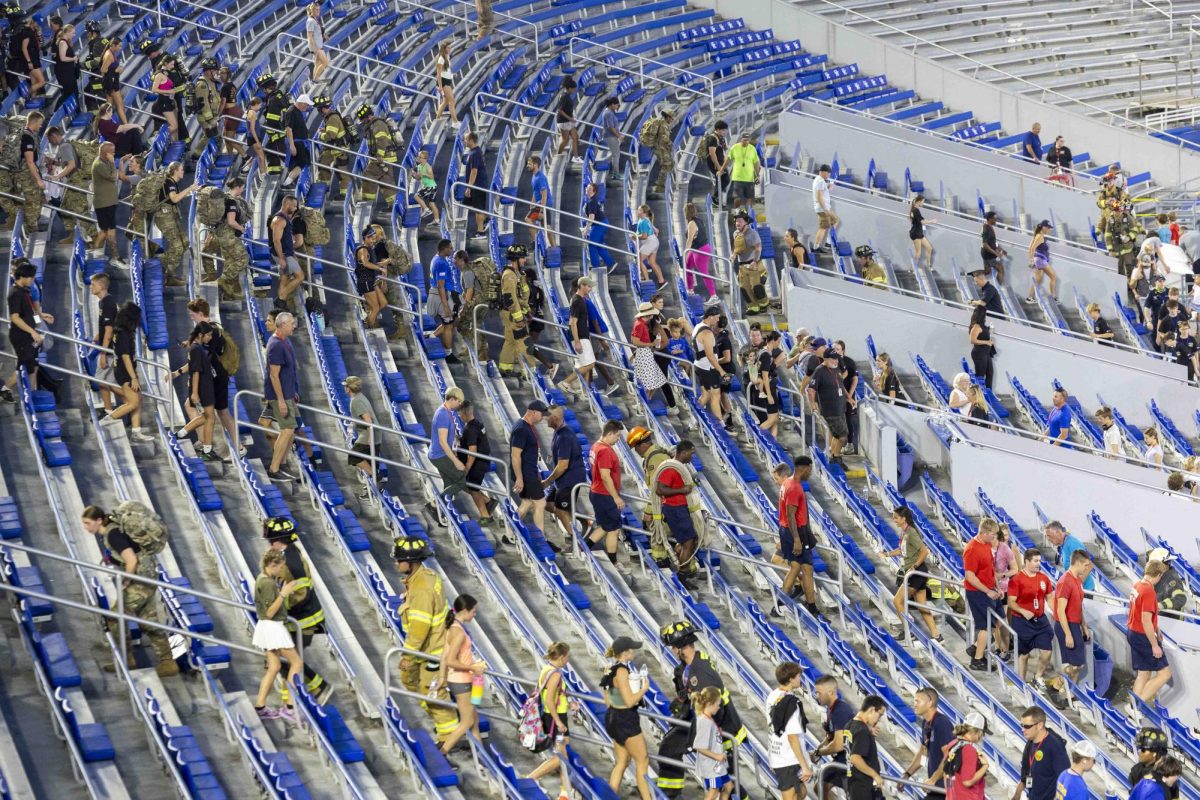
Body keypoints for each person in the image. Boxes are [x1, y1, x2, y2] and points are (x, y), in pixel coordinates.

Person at [81, 505, 179, 676]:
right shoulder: (112, 530)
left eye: (88, 523)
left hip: (141, 579)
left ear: (98, 521)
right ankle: (168, 663)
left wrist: (126, 580)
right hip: (147, 575)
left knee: (114, 616)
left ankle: (126, 658)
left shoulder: (112, 534)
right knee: (148, 621)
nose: (86, 527)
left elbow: (131, 560)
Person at [391, 536, 457, 745]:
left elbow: (419, 629)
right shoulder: (427, 577)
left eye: (399, 560)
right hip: (432, 647)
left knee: (433, 694)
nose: (396, 563)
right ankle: (447, 730)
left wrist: (408, 656)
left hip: (432, 651)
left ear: (410, 563)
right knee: (423, 690)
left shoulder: (421, 588)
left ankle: (450, 738)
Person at [252, 548, 303, 723]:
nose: (282, 570)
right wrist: (284, 593)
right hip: (272, 627)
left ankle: (260, 706)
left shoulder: (263, 578)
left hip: (267, 628)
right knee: (296, 663)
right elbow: (270, 612)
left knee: (274, 667)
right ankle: (289, 708)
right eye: (280, 567)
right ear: (272, 565)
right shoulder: (267, 583)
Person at [601, 636, 651, 800]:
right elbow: (630, 701)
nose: (634, 651)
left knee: (622, 762)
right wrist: (644, 689)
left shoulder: (610, 668)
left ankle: (608, 797)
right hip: (625, 719)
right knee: (642, 761)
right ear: (625, 652)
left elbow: (607, 700)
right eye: (632, 648)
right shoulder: (622, 671)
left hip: (612, 718)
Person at [98, 302, 156, 442]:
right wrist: (134, 378)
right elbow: (125, 357)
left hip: (124, 370)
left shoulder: (122, 331)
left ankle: (136, 432)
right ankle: (105, 421)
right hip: (124, 371)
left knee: (137, 399)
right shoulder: (123, 333)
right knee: (133, 402)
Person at [437, 593, 486, 756]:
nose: (475, 614)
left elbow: (444, 656)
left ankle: (482, 755)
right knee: (467, 722)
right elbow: (450, 660)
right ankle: (443, 751)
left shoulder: (452, 628)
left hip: (458, 679)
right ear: (465, 611)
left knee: (474, 721)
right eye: (473, 611)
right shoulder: (458, 633)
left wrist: (442, 678)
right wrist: (473, 667)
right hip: (462, 681)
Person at [526, 641, 574, 800]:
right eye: (567, 657)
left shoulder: (547, 669)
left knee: (563, 754)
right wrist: (559, 723)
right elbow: (549, 702)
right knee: (560, 757)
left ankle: (565, 792)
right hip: (556, 719)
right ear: (560, 657)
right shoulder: (555, 674)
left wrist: (569, 702)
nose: (568, 660)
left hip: (553, 717)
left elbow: (555, 695)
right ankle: (531, 778)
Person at [886, 506, 941, 641]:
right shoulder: (904, 533)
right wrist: (886, 554)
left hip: (916, 572)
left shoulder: (911, 533)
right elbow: (901, 550)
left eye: (896, 518)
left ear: (904, 519)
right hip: (915, 572)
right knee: (921, 606)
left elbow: (924, 551)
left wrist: (914, 567)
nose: (894, 520)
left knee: (897, 601)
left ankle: (908, 631)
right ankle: (937, 635)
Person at [773, 459, 819, 615]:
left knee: (804, 568)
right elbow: (790, 515)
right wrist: (798, 539)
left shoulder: (788, 484)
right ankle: (780, 604)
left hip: (793, 531)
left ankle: (810, 606)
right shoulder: (793, 487)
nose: (810, 472)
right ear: (804, 468)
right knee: (799, 568)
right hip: (795, 532)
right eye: (810, 469)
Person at [172, 322, 219, 461]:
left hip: (205, 387)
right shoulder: (196, 349)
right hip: (203, 388)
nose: (210, 337)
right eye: (208, 335)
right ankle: (206, 450)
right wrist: (194, 393)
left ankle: (181, 434)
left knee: (207, 417)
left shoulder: (196, 348)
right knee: (210, 418)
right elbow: (196, 372)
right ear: (200, 335)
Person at [1008, 549, 1055, 685]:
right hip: (1022, 621)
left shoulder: (1043, 578)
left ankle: (1037, 676)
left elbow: (1050, 598)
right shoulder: (1016, 580)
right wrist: (1023, 611)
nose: (1038, 564)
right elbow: (1011, 603)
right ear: (1026, 561)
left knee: (1047, 651)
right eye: (1035, 561)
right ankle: (1021, 682)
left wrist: (1056, 614)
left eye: (1039, 561)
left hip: (1040, 620)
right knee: (1024, 655)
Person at [1128, 560, 1173, 703]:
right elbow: (1145, 620)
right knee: (1165, 674)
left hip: (1133, 633)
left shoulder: (1137, 585)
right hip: (1143, 637)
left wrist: (1156, 627)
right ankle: (1138, 704)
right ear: (1158, 574)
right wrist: (1154, 645)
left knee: (1143, 673)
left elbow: (1140, 613)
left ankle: (1133, 707)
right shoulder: (1148, 591)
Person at [767, 662, 813, 800]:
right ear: (791, 679)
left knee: (802, 792)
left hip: (778, 755)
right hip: (788, 759)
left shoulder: (773, 695)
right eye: (799, 676)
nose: (801, 679)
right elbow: (792, 737)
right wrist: (804, 766)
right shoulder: (792, 704)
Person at [584, 421, 626, 569]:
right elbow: (605, 476)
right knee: (614, 529)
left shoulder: (596, 446)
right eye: (617, 435)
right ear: (609, 434)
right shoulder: (606, 451)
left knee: (604, 526)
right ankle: (613, 562)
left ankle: (584, 548)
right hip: (605, 495)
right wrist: (616, 497)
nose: (618, 439)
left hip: (597, 492)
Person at [263, 312, 300, 482]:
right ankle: (274, 468)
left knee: (268, 424)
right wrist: (281, 400)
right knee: (288, 429)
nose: (294, 326)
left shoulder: (285, 341)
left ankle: (281, 463)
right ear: (283, 325)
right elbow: (274, 375)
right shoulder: (276, 345)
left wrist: (293, 391)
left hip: (287, 393)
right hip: (280, 396)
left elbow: (289, 370)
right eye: (291, 323)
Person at [542, 404, 586, 539]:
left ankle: (576, 542)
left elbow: (563, 466)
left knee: (561, 509)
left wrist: (547, 481)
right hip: (562, 480)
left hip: (570, 480)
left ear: (555, 418)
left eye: (547, 417)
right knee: (548, 504)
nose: (544, 419)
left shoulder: (564, 436)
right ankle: (581, 521)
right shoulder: (559, 432)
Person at [2, 260, 44, 399]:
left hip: (29, 335)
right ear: (23, 277)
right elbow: (15, 318)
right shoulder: (15, 293)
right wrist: (32, 332)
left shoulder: (25, 291)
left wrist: (40, 320)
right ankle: (5, 389)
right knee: (24, 365)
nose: (32, 280)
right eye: (31, 277)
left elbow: (32, 311)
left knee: (32, 364)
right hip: (21, 337)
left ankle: (32, 394)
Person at [903, 687, 955, 799]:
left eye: (918, 701)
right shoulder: (926, 723)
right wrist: (907, 775)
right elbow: (923, 752)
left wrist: (933, 779)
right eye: (914, 700)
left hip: (945, 790)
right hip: (935, 788)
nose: (914, 704)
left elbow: (949, 756)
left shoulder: (941, 723)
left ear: (930, 702)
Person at [964, 518, 1001, 671]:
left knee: (995, 624)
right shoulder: (972, 549)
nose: (995, 537)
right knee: (985, 626)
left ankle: (975, 648)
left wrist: (997, 587)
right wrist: (988, 591)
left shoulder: (986, 544)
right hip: (978, 593)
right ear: (984, 533)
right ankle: (977, 660)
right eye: (993, 534)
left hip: (989, 590)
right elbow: (970, 576)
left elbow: (991, 568)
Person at [456, 400, 499, 528]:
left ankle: (486, 516)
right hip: (481, 461)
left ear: (464, 413)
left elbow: (473, 450)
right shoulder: (477, 424)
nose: (459, 416)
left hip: (477, 463)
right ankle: (488, 501)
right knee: (467, 486)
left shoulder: (470, 428)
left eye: (459, 413)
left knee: (474, 489)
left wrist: (468, 467)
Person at [1054, 549, 1093, 684]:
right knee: (1076, 664)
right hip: (1066, 626)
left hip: (1075, 625)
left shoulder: (1077, 580)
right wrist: (1068, 634)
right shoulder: (1065, 582)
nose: (1087, 568)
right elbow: (1060, 611)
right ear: (1077, 563)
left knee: (1078, 664)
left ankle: (1070, 691)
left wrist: (1084, 626)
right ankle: (1059, 683)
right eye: (1085, 565)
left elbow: (1078, 605)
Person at [811, 674, 856, 795]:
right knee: (820, 787)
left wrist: (818, 752)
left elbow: (837, 745)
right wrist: (817, 750)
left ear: (830, 692)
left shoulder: (840, 711)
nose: (817, 695)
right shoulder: (830, 709)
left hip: (851, 762)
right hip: (840, 760)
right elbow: (830, 737)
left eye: (819, 692)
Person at [1013, 706, 1069, 800]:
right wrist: (1017, 795)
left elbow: (1065, 780)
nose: (1023, 729)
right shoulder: (1030, 744)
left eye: (1027, 726)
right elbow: (1026, 775)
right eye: (1022, 725)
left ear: (1039, 725)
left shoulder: (1055, 747)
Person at [511, 400, 549, 534]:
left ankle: (510, 531)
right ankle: (541, 537)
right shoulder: (521, 429)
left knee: (527, 502)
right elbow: (515, 455)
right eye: (542, 414)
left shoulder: (526, 426)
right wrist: (520, 479)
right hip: (526, 474)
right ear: (533, 412)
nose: (543, 417)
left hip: (529, 471)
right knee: (540, 503)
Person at [807, 349, 849, 465]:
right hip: (830, 411)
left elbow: (840, 384)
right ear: (825, 359)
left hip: (840, 409)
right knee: (843, 437)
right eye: (832, 359)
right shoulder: (819, 371)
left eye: (836, 358)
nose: (835, 361)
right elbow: (811, 389)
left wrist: (848, 397)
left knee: (837, 436)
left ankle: (835, 457)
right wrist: (813, 405)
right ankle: (835, 457)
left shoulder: (835, 368)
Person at [428, 386, 467, 508]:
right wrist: (456, 462)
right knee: (462, 480)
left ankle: (442, 513)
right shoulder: (443, 414)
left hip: (440, 454)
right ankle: (435, 504)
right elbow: (442, 442)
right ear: (452, 399)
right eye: (458, 401)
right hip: (440, 455)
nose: (459, 404)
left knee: (449, 483)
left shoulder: (447, 412)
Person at [693, 686, 734, 800]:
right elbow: (699, 747)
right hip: (711, 765)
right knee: (714, 791)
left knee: (728, 786)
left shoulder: (708, 719)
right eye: (717, 704)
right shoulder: (705, 722)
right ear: (710, 703)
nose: (719, 707)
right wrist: (717, 756)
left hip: (717, 765)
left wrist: (717, 732)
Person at [844, 695, 886, 800]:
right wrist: (875, 775)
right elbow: (855, 758)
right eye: (879, 715)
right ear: (872, 710)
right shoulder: (862, 730)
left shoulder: (849, 724)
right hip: (863, 785)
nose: (878, 720)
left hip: (853, 782)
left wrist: (868, 733)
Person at [498, 244, 532, 376]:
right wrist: (518, 317)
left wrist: (527, 310)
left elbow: (522, 296)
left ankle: (505, 368)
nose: (525, 260)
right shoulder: (509, 275)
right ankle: (529, 371)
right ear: (515, 259)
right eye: (522, 257)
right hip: (512, 315)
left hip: (515, 313)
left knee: (510, 341)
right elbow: (510, 299)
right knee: (522, 341)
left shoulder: (518, 274)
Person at [356, 104, 400, 207]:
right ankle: (393, 205)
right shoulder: (375, 123)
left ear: (367, 117)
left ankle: (367, 203)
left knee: (368, 177)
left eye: (362, 119)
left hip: (382, 158)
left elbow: (382, 140)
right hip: (386, 157)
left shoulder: (377, 124)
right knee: (386, 180)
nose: (362, 122)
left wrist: (379, 156)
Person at [344, 376, 380, 498]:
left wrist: (370, 440)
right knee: (369, 461)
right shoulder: (358, 397)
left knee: (354, 456)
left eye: (346, 386)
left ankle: (376, 478)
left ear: (348, 388)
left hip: (368, 434)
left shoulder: (356, 401)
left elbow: (368, 420)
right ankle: (373, 488)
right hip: (370, 433)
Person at [426, 240, 462, 361]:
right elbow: (441, 285)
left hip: (443, 293)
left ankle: (432, 336)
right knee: (448, 326)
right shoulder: (441, 263)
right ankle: (448, 354)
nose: (452, 251)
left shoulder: (437, 259)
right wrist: (446, 306)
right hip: (443, 295)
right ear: (444, 248)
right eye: (450, 248)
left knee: (450, 323)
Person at [89, 274, 118, 415]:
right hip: (108, 347)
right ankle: (109, 410)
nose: (90, 287)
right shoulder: (104, 302)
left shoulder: (108, 303)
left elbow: (109, 330)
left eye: (93, 285)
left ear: (101, 286)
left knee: (102, 379)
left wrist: (103, 353)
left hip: (110, 349)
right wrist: (96, 337)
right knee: (105, 381)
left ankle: (131, 403)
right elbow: (105, 327)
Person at [944, 712, 989, 800]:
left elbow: (946, 774)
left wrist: (949, 796)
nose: (982, 736)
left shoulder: (952, 744)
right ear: (977, 731)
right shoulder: (969, 750)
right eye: (982, 733)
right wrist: (985, 766)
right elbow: (967, 782)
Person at [992, 524, 1019, 661]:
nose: (1005, 537)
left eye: (1007, 535)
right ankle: (998, 646)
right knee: (995, 622)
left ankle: (1005, 649)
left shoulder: (1009, 548)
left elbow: (1016, 570)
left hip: (1007, 588)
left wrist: (1001, 575)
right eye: (1004, 534)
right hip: (991, 589)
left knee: (1003, 621)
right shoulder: (988, 547)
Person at [631, 302, 666, 400]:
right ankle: (644, 401)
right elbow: (635, 341)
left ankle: (647, 399)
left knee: (656, 380)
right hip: (644, 354)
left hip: (646, 353)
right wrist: (652, 344)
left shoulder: (640, 323)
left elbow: (633, 339)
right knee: (650, 381)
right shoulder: (639, 325)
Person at [733, 210, 767, 313]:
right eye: (736, 221)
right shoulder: (736, 234)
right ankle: (753, 307)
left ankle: (764, 304)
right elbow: (736, 247)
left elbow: (758, 248)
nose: (737, 223)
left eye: (740, 221)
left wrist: (755, 261)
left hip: (753, 265)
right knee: (744, 288)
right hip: (742, 266)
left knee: (756, 287)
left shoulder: (753, 234)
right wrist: (734, 254)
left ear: (746, 222)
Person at [1129, 729, 1175, 797]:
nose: (1139, 752)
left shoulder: (1167, 773)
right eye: (1139, 748)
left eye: (1143, 750)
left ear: (1155, 753)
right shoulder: (1136, 770)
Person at [684, 202, 716, 297]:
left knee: (704, 273)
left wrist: (685, 253)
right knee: (688, 266)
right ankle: (690, 290)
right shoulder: (699, 220)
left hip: (701, 250)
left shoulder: (691, 223)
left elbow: (689, 240)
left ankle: (714, 295)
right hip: (697, 249)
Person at [643, 105, 675, 197]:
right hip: (659, 147)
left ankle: (661, 185)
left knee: (667, 164)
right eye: (671, 118)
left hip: (659, 147)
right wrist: (670, 143)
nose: (672, 120)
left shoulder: (662, 123)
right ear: (668, 117)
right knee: (666, 165)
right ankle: (660, 187)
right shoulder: (663, 124)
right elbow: (663, 138)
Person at [462, 132, 489, 239]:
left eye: (465, 139)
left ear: (471, 140)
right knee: (476, 207)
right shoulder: (476, 151)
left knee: (479, 208)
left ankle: (481, 232)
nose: (464, 141)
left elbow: (474, 171)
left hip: (478, 185)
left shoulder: (474, 154)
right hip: (478, 184)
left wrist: (469, 187)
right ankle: (485, 220)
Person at [525, 155, 555, 248]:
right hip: (540, 204)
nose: (527, 165)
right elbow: (535, 191)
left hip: (544, 204)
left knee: (528, 219)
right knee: (547, 227)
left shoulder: (540, 178)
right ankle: (554, 247)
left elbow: (544, 196)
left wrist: (541, 210)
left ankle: (536, 242)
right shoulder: (534, 176)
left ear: (536, 165)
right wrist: (532, 203)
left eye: (529, 164)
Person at [410, 148, 441, 230]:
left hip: (431, 187)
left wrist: (423, 173)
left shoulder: (428, 166)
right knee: (432, 203)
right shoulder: (419, 166)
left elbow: (431, 176)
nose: (419, 158)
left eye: (421, 157)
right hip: (429, 186)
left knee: (416, 196)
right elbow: (418, 178)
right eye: (419, 157)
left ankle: (426, 210)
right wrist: (414, 175)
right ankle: (437, 220)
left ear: (425, 159)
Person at [1026, 220, 1057, 302]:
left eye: (1049, 228)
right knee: (1053, 276)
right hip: (1040, 260)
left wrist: (1032, 260)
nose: (1049, 230)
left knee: (1038, 280)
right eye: (1047, 227)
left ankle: (1030, 297)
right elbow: (1032, 248)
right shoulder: (1039, 236)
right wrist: (1031, 261)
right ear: (1043, 227)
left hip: (1040, 259)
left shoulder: (1038, 235)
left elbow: (1030, 247)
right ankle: (1053, 298)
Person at [51, 22, 79, 112]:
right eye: (73, 33)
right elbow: (62, 58)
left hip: (69, 71)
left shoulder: (66, 41)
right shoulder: (63, 42)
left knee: (74, 92)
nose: (74, 35)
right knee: (68, 93)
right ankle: (55, 112)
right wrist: (73, 58)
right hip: (64, 72)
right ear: (67, 32)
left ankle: (77, 111)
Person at [729, 131, 760, 207]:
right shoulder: (735, 148)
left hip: (749, 178)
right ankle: (737, 214)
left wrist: (757, 176)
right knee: (737, 198)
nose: (746, 141)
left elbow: (757, 163)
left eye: (748, 140)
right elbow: (728, 159)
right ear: (741, 140)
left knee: (749, 199)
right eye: (745, 139)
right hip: (738, 178)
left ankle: (748, 215)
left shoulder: (753, 149)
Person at [555, 76, 582, 163]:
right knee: (565, 139)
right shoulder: (564, 96)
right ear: (569, 88)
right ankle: (558, 155)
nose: (575, 90)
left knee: (575, 137)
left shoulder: (567, 95)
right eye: (574, 89)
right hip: (563, 121)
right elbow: (560, 110)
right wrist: (570, 118)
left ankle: (576, 157)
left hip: (569, 120)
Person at [635, 204, 663, 286]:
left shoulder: (643, 221)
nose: (637, 211)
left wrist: (635, 236)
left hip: (650, 242)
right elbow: (656, 230)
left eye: (639, 210)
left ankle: (646, 281)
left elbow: (644, 236)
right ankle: (662, 281)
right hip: (654, 241)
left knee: (639, 261)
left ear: (644, 212)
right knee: (652, 262)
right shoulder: (646, 219)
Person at [811, 164, 837, 252]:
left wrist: (827, 187)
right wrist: (825, 209)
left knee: (835, 220)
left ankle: (828, 242)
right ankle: (816, 247)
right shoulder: (820, 182)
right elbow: (819, 197)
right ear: (824, 172)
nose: (828, 176)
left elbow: (822, 192)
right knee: (822, 228)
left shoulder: (819, 180)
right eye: (828, 174)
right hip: (822, 208)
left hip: (824, 207)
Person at [968, 305, 994, 390]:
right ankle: (979, 394)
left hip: (986, 353)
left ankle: (989, 392)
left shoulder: (982, 326)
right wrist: (986, 342)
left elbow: (984, 335)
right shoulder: (976, 326)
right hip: (979, 353)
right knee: (980, 375)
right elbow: (973, 340)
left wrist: (989, 330)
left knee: (990, 373)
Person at [434, 41, 458, 127]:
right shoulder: (441, 59)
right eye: (448, 48)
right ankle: (455, 122)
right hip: (443, 82)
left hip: (447, 80)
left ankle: (437, 118)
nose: (450, 49)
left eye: (450, 47)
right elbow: (439, 74)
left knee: (445, 101)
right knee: (452, 101)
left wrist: (452, 75)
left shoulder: (447, 56)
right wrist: (440, 86)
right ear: (444, 49)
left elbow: (446, 71)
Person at [599, 96, 623, 180]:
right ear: (612, 104)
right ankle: (616, 174)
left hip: (611, 136)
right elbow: (611, 127)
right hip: (610, 137)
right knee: (616, 155)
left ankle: (615, 173)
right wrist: (619, 136)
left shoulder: (609, 112)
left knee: (615, 155)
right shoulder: (608, 113)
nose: (617, 107)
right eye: (616, 105)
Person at [909, 194, 936, 268]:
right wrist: (932, 221)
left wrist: (930, 221)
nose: (923, 203)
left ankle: (928, 265)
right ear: (919, 201)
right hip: (916, 233)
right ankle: (912, 268)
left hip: (919, 233)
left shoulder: (915, 210)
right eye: (923, 202)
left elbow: (922, 220)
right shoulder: (915, 210)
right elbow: (922, 222)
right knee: (918, 253)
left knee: (929, 248)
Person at [980, 211, 1007, 282]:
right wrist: (995, 253)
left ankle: (975, 279)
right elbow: (984, 244)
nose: (996, 220)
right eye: (994, 218)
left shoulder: (989, 227)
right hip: (988, 254)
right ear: (989, 219)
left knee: (987, 272)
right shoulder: (986, 228)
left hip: (989, 253)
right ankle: (1000, 289)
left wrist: (1000, 249)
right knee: (1000, 269)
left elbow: (992, 242)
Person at [305, 2, 329, 83]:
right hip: (316, 47)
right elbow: (309, 36)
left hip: (319, 45)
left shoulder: (315, 19)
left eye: (319, 9)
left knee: (318, 63)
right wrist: (315, 48)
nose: (318, 11)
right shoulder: (311, 21)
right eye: (316, 9)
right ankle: (315, 79)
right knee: (325, 62)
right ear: (312, 10)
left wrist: (324, 35)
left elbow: (317, 31)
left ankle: (314, 79)